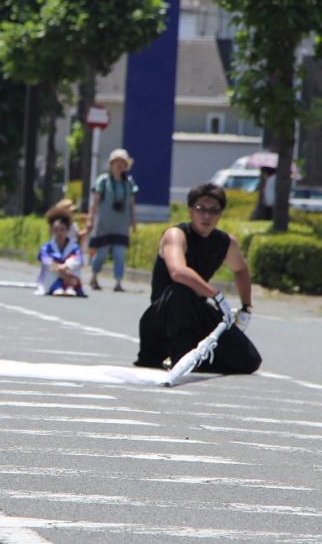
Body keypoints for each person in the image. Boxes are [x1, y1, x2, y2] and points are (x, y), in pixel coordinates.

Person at [134, 183, 261, 374]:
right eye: (201, 209)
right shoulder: (176, 235)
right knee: (180, 291)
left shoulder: (225, 242)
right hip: (163, 317)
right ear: (191, 211)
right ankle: (176, 356)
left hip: (195, 312)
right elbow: (178, 271)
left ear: (220, 214)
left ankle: (194, 360)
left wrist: (246, 307)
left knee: (249, 360)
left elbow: (241, 270)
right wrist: (216, 296)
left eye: (213, 210)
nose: (207, 216)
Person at [86, 147, 138, 291]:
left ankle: (118, 282)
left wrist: (134, 221)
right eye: (117, 162)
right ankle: (94, 276)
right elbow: (95, 202)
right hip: (104, 224)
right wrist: (90, 219)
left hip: (121, 224)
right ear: (111, 163)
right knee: (101, 253)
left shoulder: (129, 183)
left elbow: (132, 204)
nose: (120, 165)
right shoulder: (103, 181)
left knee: (120, 254)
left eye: (123, 162)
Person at [36, 213, 86, 296]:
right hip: (53, 276)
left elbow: (79, 260)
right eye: (56, 230)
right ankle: (57, 287)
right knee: (50, 269)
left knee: (74, 265)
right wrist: (59, 268)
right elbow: (45, 260)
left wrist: (66, 265)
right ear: (52, 231)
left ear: (67, 230)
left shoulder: (74, 247)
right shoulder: (47, 247)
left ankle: (70, 287)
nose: (59, 233)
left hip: (69, 274)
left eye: (62, 229)